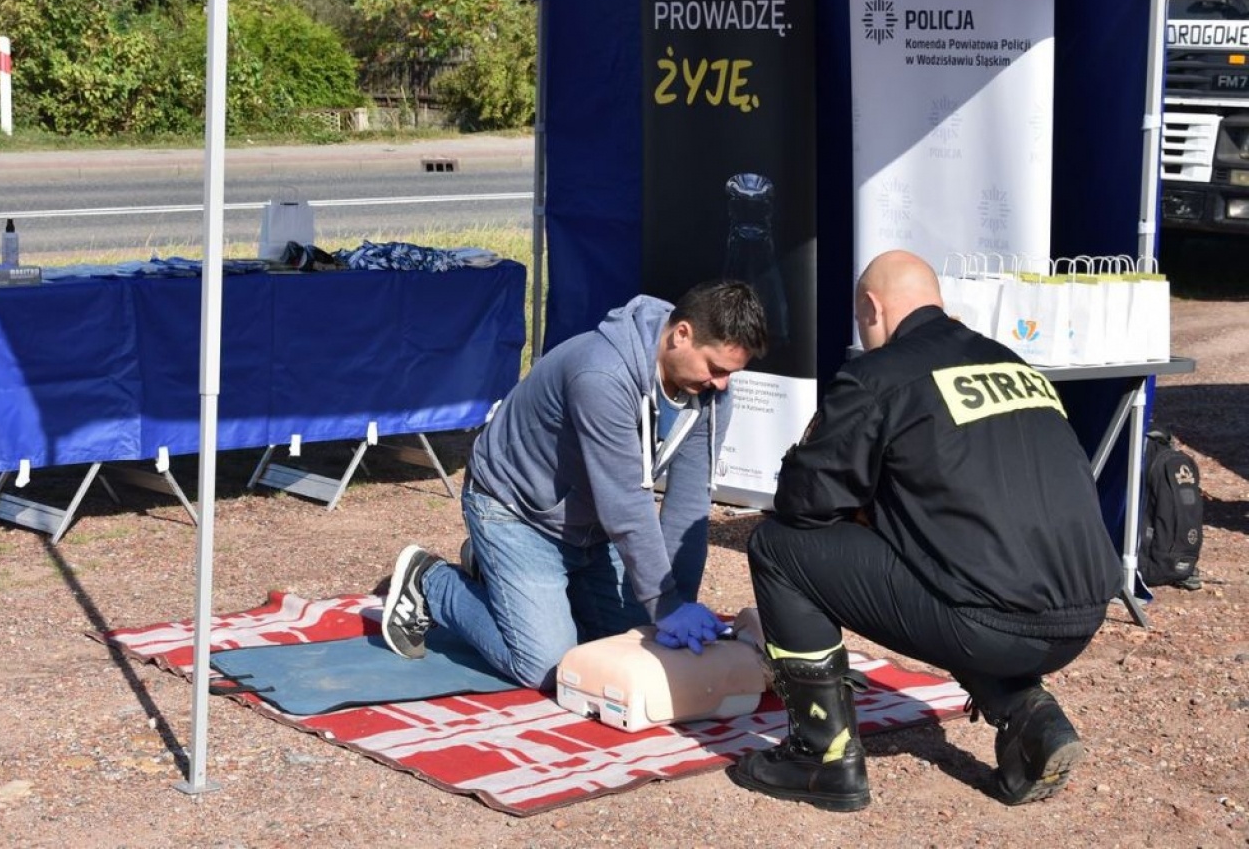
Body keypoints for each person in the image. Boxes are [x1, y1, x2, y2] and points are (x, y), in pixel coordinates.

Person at [728, 250, 1118, 812]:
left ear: (871, 307)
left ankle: (822, 756)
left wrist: (865, 504)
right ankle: (1028, 714)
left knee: (779, 547)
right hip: (1082, 615)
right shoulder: (1012, 362)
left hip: (993, 622)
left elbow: (804, 501)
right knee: (947, 557)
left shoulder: (878, 374)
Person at [378, 279, 770, 690]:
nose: (723, 384)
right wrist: (665, 603)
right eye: (716, 368)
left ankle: (494, 572)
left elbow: (688, 505)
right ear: (682, 334)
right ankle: (432, 581)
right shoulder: (602, 373)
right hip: (517, 512)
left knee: (632, 645)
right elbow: (625, 503)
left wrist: (676, 605)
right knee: (548, 667)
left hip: (592, 524)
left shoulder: (712, 395)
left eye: (731, 373)